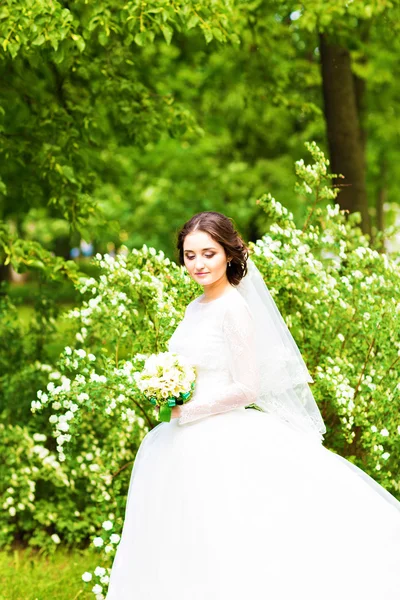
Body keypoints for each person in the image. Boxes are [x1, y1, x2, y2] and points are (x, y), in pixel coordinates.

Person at [106, 211, 400, 600]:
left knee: (229, 535)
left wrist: (187, 412)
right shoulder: (195, 307)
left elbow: (247, 387)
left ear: (228, 254)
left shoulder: (234, 308)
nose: (198, 263)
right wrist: (166, 387)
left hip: (219, 434)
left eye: (208, 253)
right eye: (190, 255)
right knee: (182, 533)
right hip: (178, 439)